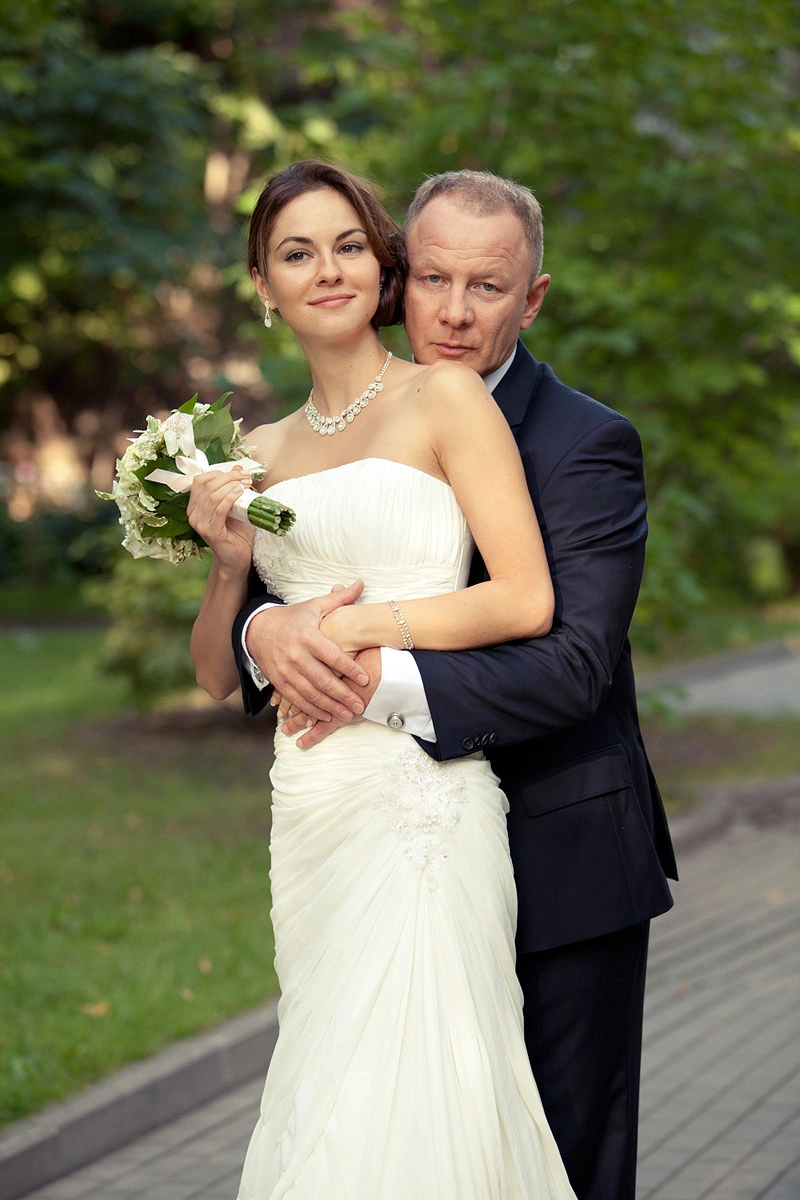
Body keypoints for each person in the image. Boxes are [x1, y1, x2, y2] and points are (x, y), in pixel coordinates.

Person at [233, 169, 678, 1200]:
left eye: (488, 287)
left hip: (560, 855)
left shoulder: (584, 442)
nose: (454, 311)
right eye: (433, 278)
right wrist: (264, 626)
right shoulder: (329, 430)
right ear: (401, 277)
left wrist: (364, 671)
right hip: (366, 845)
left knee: (554, 1160)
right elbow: (273, 590)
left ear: (533, 298)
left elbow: (572, 665)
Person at [188, 160, 576, 1199]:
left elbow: (524, 600)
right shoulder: (257, 453)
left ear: (382, 266)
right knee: (325, 1088)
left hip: (422, 801)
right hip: (312, 803)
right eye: (296, 254)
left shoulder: (444, 395)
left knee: (425, 1093)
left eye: (348, 245)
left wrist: (353, 626)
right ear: (263, 287)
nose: (327, 271)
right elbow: (216, 674)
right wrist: (234, 574)